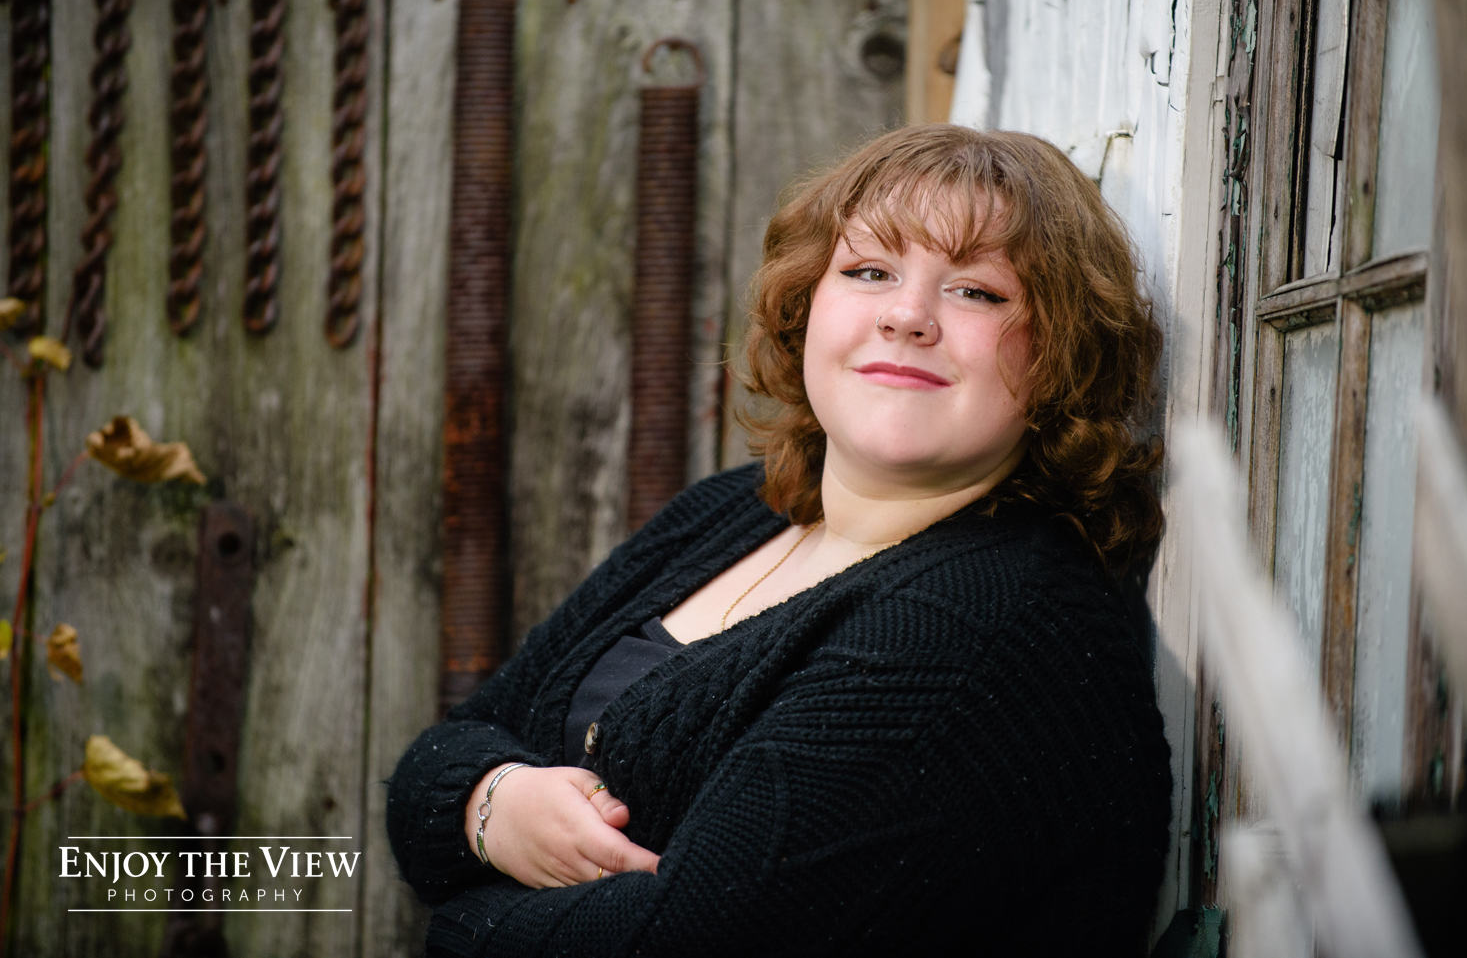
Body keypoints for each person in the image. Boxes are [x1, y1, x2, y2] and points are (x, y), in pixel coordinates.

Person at [386, 124, 1172, 956]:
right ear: (807, 304)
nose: (906, 315)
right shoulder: (735, 511)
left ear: (1064, 351)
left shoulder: (989, 625)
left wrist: (457, 921)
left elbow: (687, 941)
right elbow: (442, 756)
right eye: (869, 271)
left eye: (976, 291)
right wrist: (492, 800)